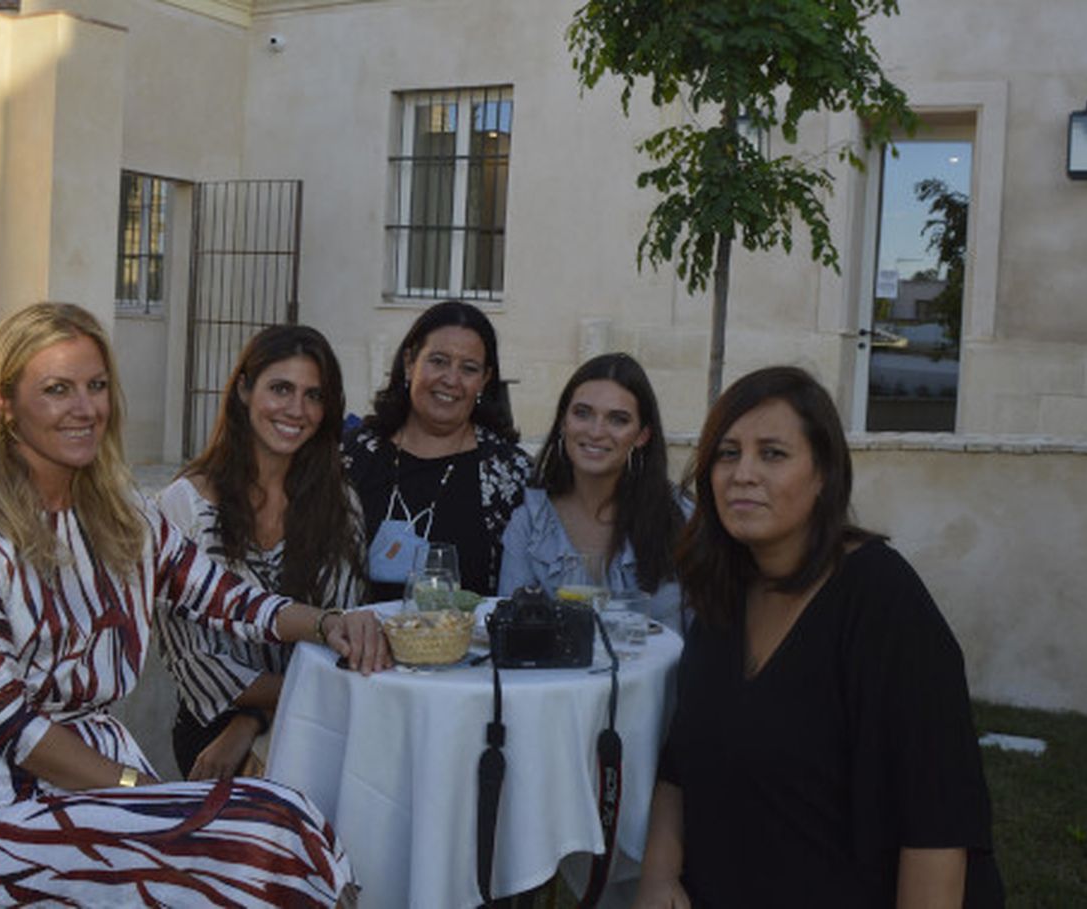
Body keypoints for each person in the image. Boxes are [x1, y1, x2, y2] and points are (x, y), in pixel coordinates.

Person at [0, 302, 389, 906]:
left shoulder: (119, 514)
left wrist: (330, 622)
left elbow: (227, 598)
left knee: (293, 817)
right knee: (261, 854)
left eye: (96, 386)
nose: (85, 409)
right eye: (56, 390)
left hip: (106, 792)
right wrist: (142, 791)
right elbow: (10, 725)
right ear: (5, 403)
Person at [637, 366, 1002, 908]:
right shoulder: (724, 590)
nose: (742, 473)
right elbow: (681, 761)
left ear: (825, 473)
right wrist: (659, 877)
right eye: (728, 453)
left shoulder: (883, 600)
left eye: (773, 454)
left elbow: (937, 820)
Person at [153, 324, 365, 781]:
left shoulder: (340, 503)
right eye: (281, 389)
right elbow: (196, 664)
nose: (296, 409)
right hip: (212, 734)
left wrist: (256, 722)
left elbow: (341, 637)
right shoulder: (184, 506)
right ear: (245, 390)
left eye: (314, 395)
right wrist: (248, 721)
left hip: (318, 730)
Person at [343, 299, 532, 600]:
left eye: (469, 368)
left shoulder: (511, 474)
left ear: (484, 380)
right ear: (409, 363)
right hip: (354, 644)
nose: (451, 379)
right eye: (438, 361)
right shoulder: (353, 455)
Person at [497, 353, 689, 631]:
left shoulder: (681, 517)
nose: (596, 431)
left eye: (618, 419)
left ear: (642, 435)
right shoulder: (529, 525)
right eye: (582, 413)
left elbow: (706, 635)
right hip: (558, 676)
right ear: (564, 422)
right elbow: (512, 633)